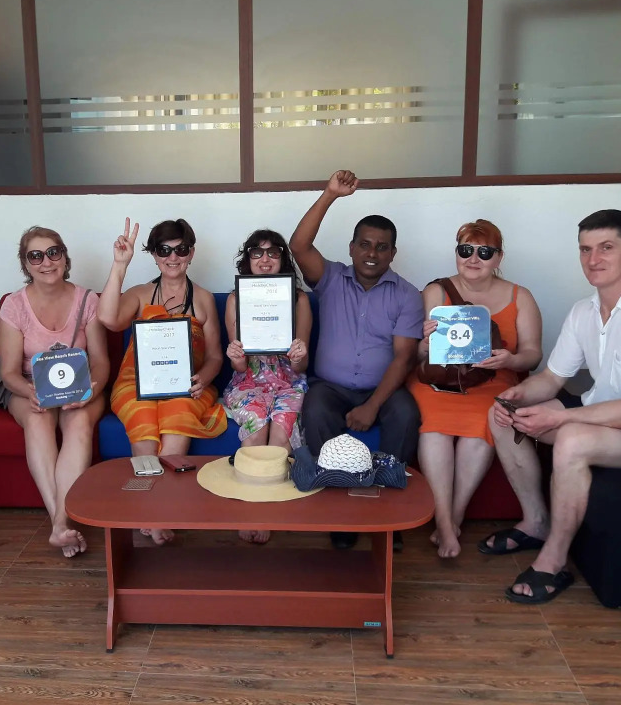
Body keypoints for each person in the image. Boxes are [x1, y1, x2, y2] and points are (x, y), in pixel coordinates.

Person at [484, 210, 621, 604]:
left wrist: (560, 417)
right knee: (502, 416)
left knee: (572, 439)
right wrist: (518, 395)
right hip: (601, 411)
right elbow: (552, 378)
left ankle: (554, 561)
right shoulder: (584, 310)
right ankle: (536, 522)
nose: (593, 259)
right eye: (585, 249)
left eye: (606, 248)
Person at [290, 170, 424, 549]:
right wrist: (330, 194)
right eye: (364, 244)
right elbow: (298, 246)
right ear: (351, 248)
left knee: (406, 414)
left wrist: (372, 406)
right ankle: (340, 512)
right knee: (315, 408)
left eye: (382, 247)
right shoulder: (331, 278)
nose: (372, 253)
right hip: (331, 388)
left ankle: (389, 517)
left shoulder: (407, 295)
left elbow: (403, 358)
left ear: (393, 253)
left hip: (383, 389)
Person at [408, 221, 542, 558]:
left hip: (492, 380)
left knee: (485, 421)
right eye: (466, 250)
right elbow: (419, 354)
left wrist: (511, 360)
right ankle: (443, 522)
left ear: (499, 257)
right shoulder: (436, 291)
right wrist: (424, 344)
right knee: (433, 427)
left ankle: (453, 518)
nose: (473, 258)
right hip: (439, 381)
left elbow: (533, 354)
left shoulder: (520, 296)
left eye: (484, 252)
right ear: (456, 252)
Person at [98, 217, 226, 545]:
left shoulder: (203, 298)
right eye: (163, 250)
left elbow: (215, 356)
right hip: (136, 381)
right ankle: (150, 507)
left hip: (186, 383)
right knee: (141, 414)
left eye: (180, 250)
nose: (172, 257)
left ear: (191, 253)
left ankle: (162, 506)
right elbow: (108, 318)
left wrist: (203, 379)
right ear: (154, 255)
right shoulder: (141, 294)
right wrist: (120, 265)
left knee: (178, 411)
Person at [0, 227, 109, 558]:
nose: (46, 262)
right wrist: (30, 391)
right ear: (25, 264)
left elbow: (101, 362)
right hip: (29, 385)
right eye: (36, 256)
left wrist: (89, 392)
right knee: (37, 420)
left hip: (80, 385)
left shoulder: (88, 300)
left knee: (79, 422)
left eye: (53, 252)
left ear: (64, 257)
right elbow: (8, 372)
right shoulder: (14, 305)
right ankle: (60, 522)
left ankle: (61, 523)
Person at [224, 229, 312, 543]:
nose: (265, 260)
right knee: (256, 422)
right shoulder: (236, 299)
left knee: (283, 424)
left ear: (283, 259)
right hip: (249, 380)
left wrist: (298, 355)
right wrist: (236, 357)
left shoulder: (299, 299)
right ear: (247, 259)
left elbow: (301, 365)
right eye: (257, 253)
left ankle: (269, 509)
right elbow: (239, 366)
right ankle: (250, 507)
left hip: (288, 382)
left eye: (273, 253)